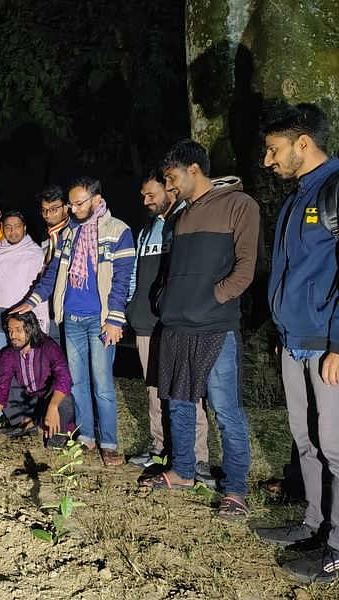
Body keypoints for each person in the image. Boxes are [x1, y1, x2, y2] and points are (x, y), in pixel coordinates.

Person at [146, 140, 258, 521]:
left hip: (216, 326)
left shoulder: (239, 205)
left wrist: (213, 298)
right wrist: (166, 298)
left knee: (226, 410)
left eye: (172, 178)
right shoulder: (178, 216)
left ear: (194, 170)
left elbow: (246, 268)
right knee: (178, 402)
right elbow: (168, 270)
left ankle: (237, 490)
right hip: (176, 325)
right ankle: (183, 471)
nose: (169, 186)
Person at [254, 104, 339, 582]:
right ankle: (314, 524)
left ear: (302, 143)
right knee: (305, 440)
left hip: (328, 344)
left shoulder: (333, 190)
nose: (268, 160)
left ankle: (338, 547)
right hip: (294, 341)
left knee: (335, 445)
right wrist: (282, 331)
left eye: (274, 150)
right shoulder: (296, 197)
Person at [14, 177, 134, 466]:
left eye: (78, 203)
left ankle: (109, 442)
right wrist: (31, 301)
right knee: (78, 381)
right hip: (72, 317)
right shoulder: (69, 233)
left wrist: (115, 318)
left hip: (100, 319)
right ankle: (86, 436)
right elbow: (54, 272)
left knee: (102, 381)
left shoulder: (118, 230)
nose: (73, 208)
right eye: (71, 203)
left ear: (96, 198)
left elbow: (122, 280)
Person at [126, 166, 211, 484]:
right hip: (147, 322)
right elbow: (136, 273)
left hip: (177, 323)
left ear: (169, 190)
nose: (147, 200)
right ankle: (159, 448)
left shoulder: (184, 223)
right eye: (144, 196)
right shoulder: (146, 231)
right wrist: (132, 307)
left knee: (188, 391)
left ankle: (197, 457)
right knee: (154, 392)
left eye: (152, 194)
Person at [0, 311, 74, 444]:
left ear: (30, 328)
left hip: (48, 401)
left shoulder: (49, 347)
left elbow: (64, 379)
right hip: (27, 404)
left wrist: (52, 407)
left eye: (18, 330)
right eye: (10, 330)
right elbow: (1, 389)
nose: (13, 335)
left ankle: (56, 437)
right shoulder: (9, 355)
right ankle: (26, 424)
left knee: (65, 399)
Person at [0, 211, 48, 371]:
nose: (13, 231)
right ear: (2, 228)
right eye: (8, 227)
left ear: (24, 228)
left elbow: (42, 292)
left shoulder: (36, 254)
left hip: (26, 326)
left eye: (17, 227)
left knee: (28, 370)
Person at [36, 184, 71, 348]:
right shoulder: (47, 235)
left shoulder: (73, 232)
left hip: (68, 306)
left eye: (53, 209)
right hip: (49, 304)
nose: (47, 215)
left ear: (66, 207)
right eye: (44, 210)